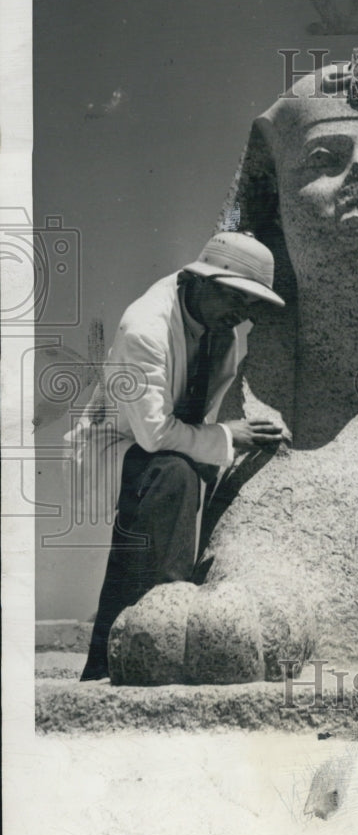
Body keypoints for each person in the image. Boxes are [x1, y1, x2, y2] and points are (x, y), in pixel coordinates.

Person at [75, 231, 285, 681]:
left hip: (173, 451)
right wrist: (227, 436)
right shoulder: (145, 328)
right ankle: (156, 632)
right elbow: (153, 434)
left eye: (250, 303)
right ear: (201, 280)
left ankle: (112, 662)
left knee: (160, 523)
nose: (242, 312)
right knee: (172, 480)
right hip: (123, 447)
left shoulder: (219, 332)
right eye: (235, 296)